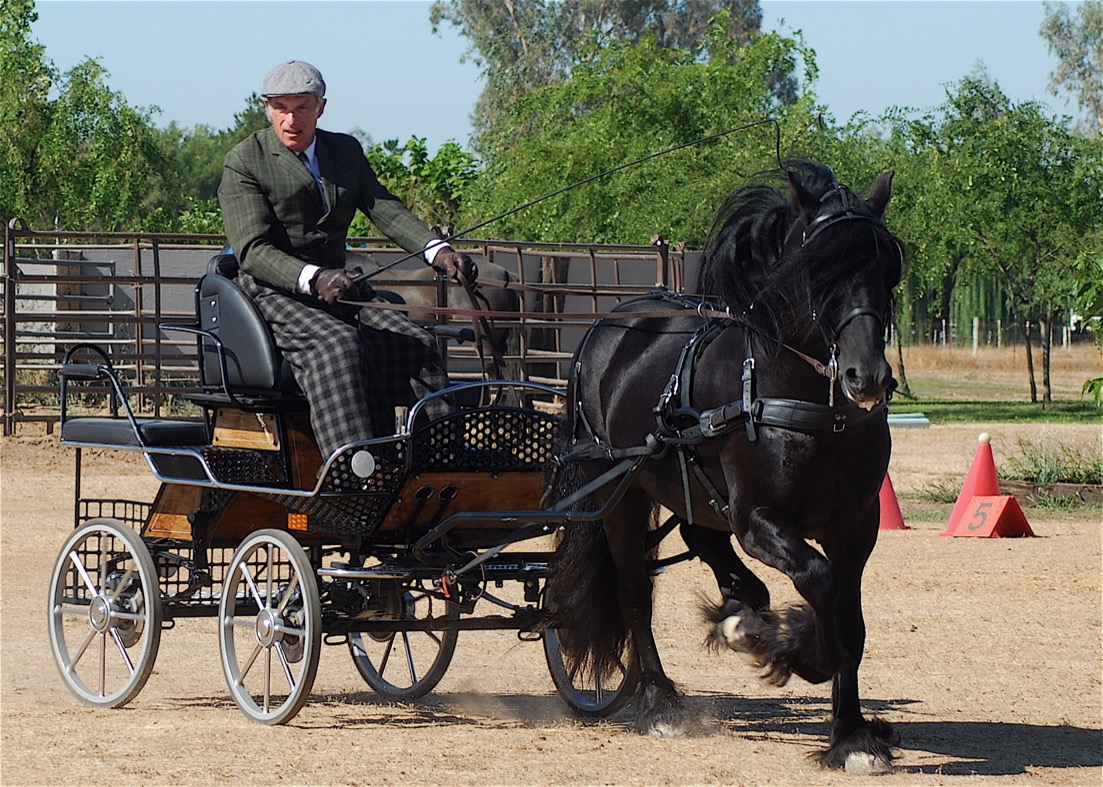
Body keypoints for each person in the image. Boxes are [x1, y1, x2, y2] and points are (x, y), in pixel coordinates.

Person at [218, 60, 476, 459]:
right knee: (339, 346)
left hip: (339, 286)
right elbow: (252, 249)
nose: (291, 119)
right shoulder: (245, 161)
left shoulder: (345, 151)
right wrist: (314, 277)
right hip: (273, 288)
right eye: (281, 108)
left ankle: (439, 462)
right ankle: (356, 473)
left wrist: (437, 251)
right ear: (266, 108)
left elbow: (384, 208)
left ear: (321, 107)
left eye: (302, 107)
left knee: (418, 343)